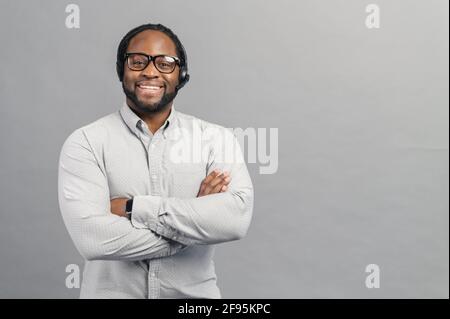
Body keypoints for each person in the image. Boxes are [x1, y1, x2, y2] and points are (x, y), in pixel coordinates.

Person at [58, 23, 254, 299]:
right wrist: (195, 224)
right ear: (121, 70)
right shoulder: (86, 142)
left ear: (181, 75)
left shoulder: (215, 139)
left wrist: (133, 208)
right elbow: (93, 240)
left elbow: (234, 221)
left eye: (165, 63)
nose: (150, 71)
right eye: (138, 61)